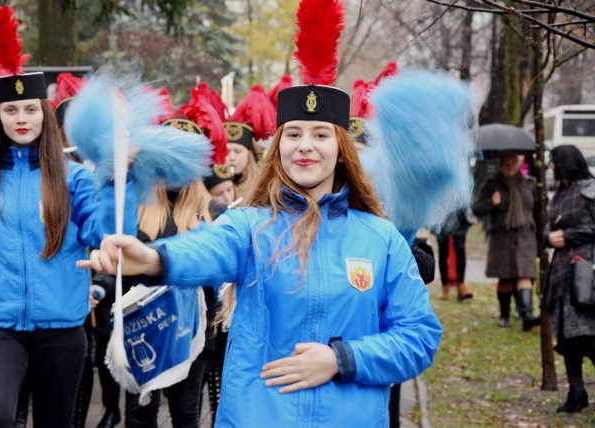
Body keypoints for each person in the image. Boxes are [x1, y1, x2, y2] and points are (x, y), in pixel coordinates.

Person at [79, 77, 443, 426]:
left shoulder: (381, 238)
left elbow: (418, 338)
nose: (305, 145)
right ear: (279, 147)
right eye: (294, 134)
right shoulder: (249, 226)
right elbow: (204, 248)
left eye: (320, 135)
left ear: (342, 151)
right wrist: (152, 258)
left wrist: (340, 359)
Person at [0, 70, 136, 427]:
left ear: (45, 114)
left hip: (62, 328)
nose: (21, 119)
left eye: (30, 109)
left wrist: (120, 180)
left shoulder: (75, 179)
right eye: (11, 111)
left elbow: (110, 234)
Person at [543, 145, 595, 413]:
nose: (550, 167)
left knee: (588, 335)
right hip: (562, 272)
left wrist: (570, 236)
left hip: (586, 272)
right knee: (567, 338)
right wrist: (547, 237)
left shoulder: (590, 189)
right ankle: (577, 392)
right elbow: (550, 225)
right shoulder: (560, 192)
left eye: (553, 162)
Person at [473, 150, 539, 331]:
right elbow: (477, 209)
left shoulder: (530, 183)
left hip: (526, 237)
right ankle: (504, 314)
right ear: (500, 164)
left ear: (518, 163)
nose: (510, 167)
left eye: (513, 163)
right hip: (501, 238)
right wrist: (491, 203)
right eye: (505, 164)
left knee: (525, 274)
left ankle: (526, 315)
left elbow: (539, 210)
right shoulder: (491, 184)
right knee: (505, 278)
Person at [435, 209, 474, 301]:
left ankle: (461, 285)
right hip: (442, 216)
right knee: (443, 253)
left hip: (459, 217)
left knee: (460, 249)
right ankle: (445, 286)